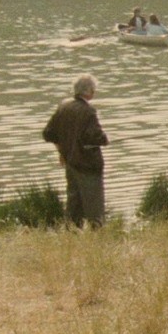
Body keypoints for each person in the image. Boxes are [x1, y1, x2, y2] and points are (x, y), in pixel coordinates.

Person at [42, 74, 111, 228]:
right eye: (93, 90)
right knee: (94, 207)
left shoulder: (63, 107)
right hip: (88, 165)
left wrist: (61, 152)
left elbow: (49, 133)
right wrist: (105, 140)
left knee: (74, 205)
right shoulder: (88, 111)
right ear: (89, 91)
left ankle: (72, 232)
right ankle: (97, 235)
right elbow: (95, 137)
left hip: (71, 163)